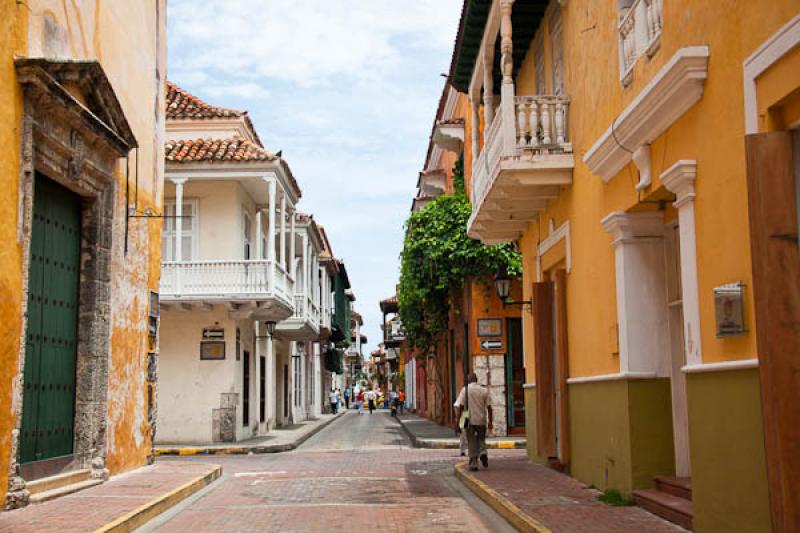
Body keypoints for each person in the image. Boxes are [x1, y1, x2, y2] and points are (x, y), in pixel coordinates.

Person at [455, 372, 493, 471]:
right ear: (476, 379)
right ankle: (483, 452)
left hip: (468, 418)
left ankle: (474, 462)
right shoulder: (484, 390)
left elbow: (461, 406)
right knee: (481, 438)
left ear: (468, 380)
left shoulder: (465, 390)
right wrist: (490, 422)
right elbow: (489, 407)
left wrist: (458, 420)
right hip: (481, 418)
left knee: (471, 440)